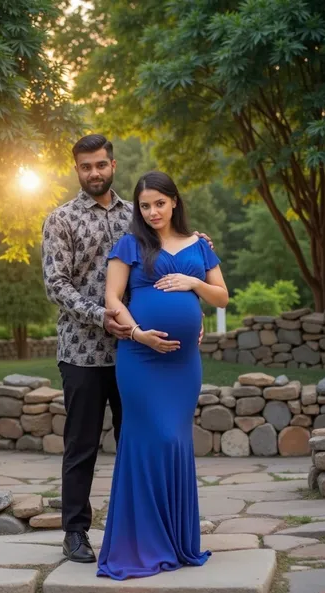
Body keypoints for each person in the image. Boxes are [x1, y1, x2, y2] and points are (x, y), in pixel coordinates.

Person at [42, 135, 213, 564]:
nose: (94, 172)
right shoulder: (60, 219)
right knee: (81, 444)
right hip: (84, 350)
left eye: (100, 164)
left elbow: (166, 266)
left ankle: (146, 528)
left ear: (112, 165)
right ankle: (76, 532)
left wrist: (191, 310)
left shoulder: (137, 211)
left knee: (137, 440)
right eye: (86, 166)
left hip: (141, 357)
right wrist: (105, 317)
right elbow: (56, 285)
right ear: (76, 169)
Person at [97, 171, 228, 580]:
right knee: (150, 440)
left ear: (174, 202)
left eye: (159, 203)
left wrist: (193, 283)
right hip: (140, 359)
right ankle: (142, 543)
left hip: (182, 365)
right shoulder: (130, 244)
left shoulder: (200, 246)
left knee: (175, 442)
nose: (152, 211)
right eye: (144, 205)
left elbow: (222, 295)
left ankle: (174, 541)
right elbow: (112, 297)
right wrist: (138, 334)